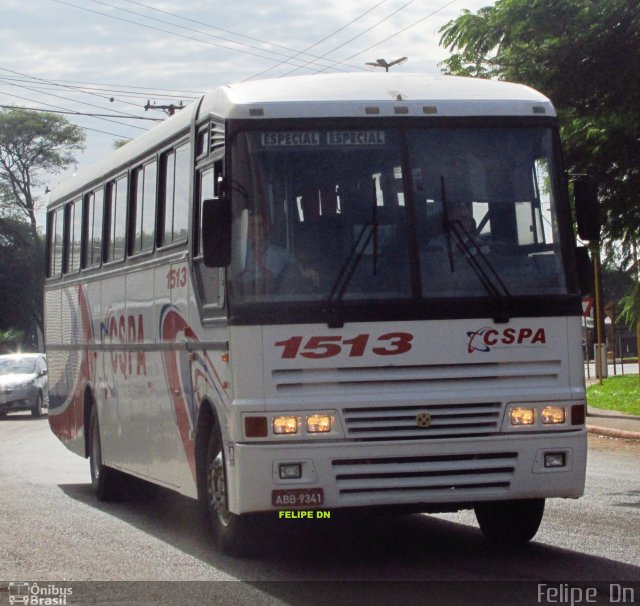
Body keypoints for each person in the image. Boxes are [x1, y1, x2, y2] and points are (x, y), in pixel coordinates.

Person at [240, 213, 319, 295]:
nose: (257, 229)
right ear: (246, 229)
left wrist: (306, 273)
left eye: (261, 225)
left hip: (275, 300)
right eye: (253, 226)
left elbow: (297, 271)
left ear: (266, 228)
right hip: (245, 298)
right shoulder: (238, 253)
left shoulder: (282, 254)